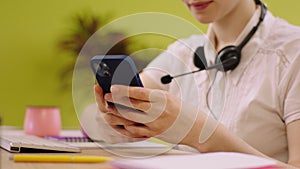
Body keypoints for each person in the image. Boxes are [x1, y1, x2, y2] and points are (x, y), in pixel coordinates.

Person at [94, 0, 300, 168]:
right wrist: (114, 115)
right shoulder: (183, 51)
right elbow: (109, 112)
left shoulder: (293, 53)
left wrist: (200, 133)